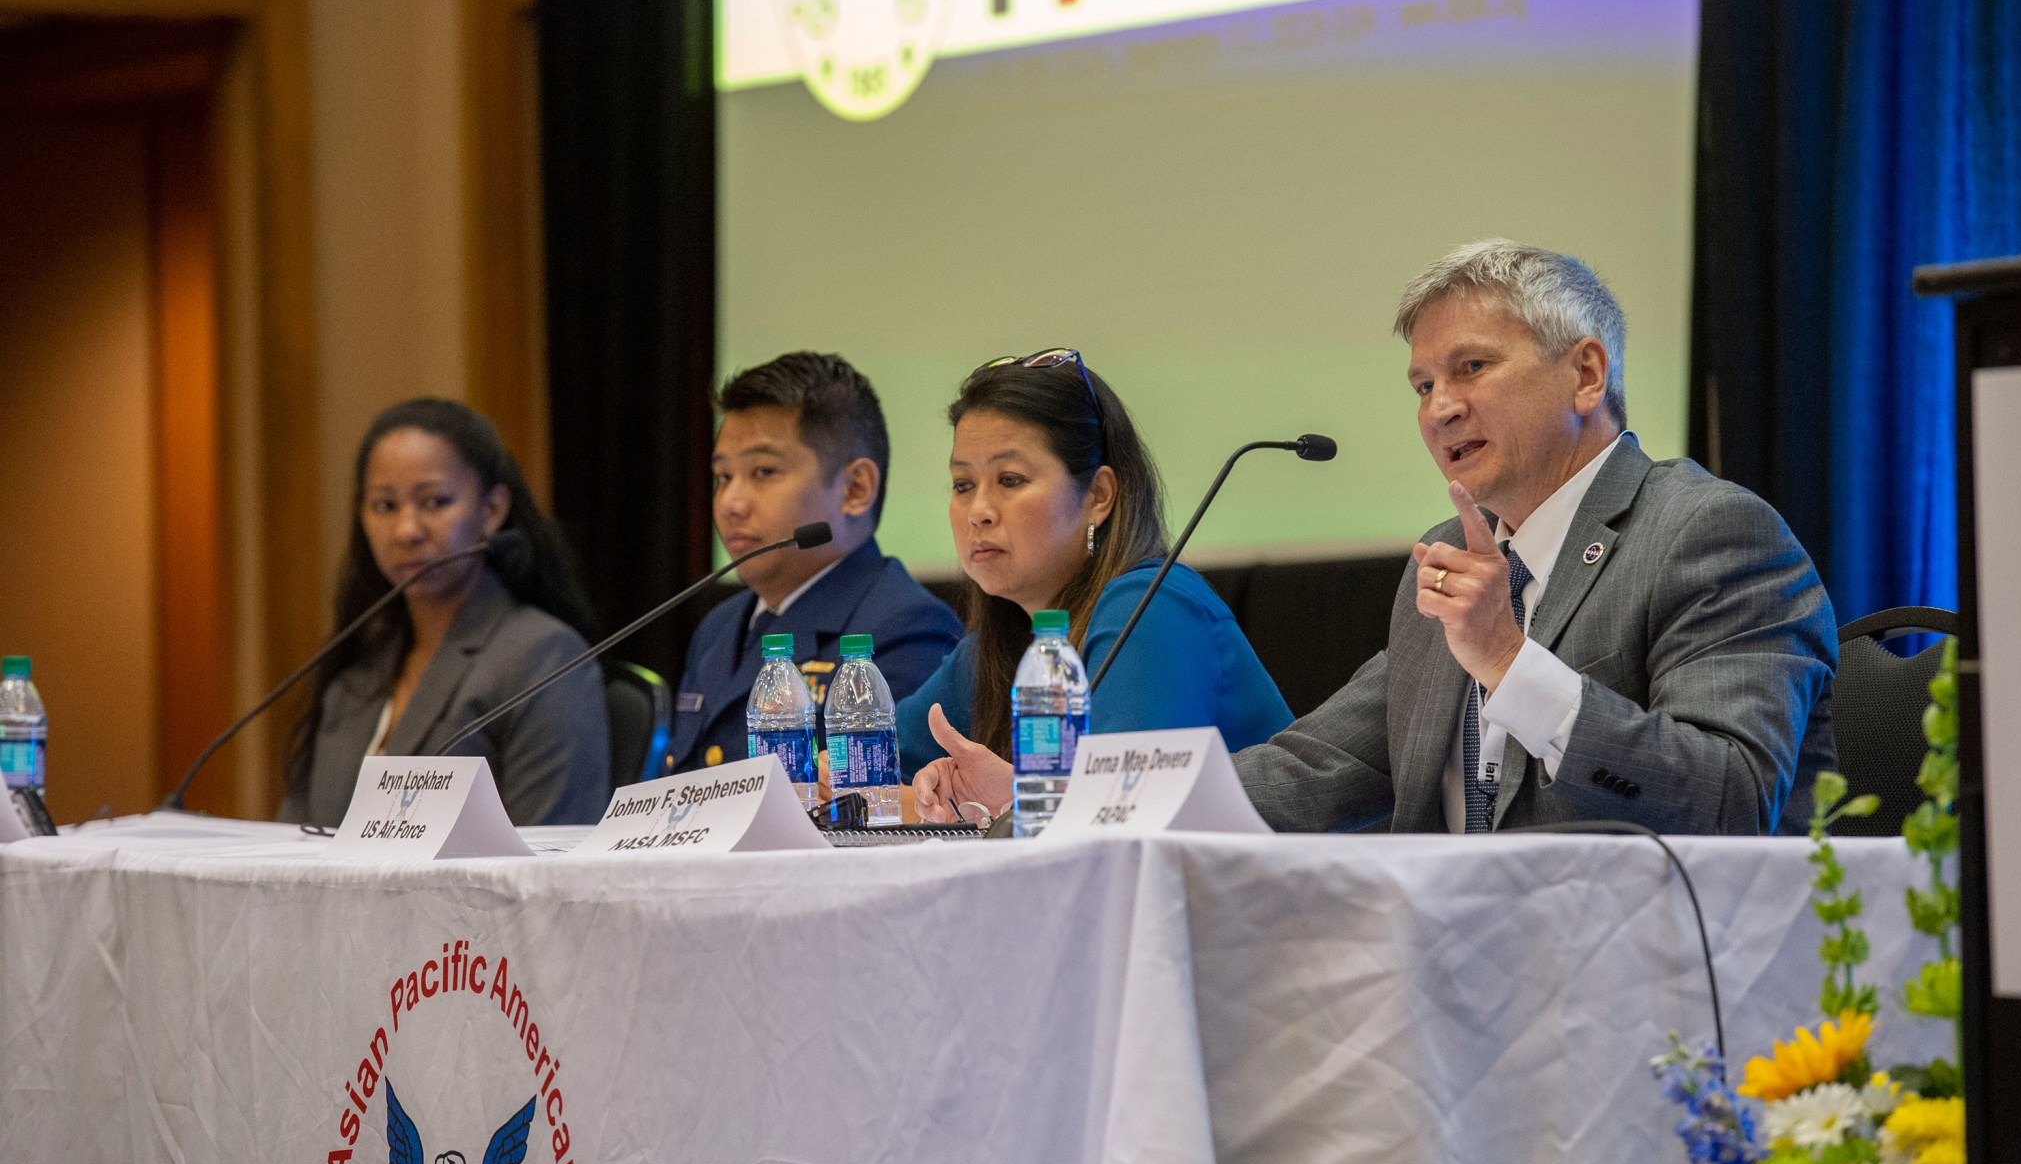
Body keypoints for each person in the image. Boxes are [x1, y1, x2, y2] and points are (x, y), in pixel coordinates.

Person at [1233, 239, 1836, 835]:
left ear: (1587, 375)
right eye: (1422, 386)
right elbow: (1314, 769)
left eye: (1472, 367)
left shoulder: (1705, 533)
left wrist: (1506, 659)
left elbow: (1731, 798)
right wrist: (1147, 796)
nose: (1439, 408)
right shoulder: (1450, 559)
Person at [904, 349, 1293, 823]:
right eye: (963, 484)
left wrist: (1002, 803)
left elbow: (1122, 819)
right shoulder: (1001, 648)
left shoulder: (1152, 608)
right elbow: (855, 766)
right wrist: (927, 795)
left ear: (1099, 497)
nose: (978, 510)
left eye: (1010, 479)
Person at [280, 398, 609, 827]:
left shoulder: (541, 657)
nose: (407, 530)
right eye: (384, 506)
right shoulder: (355, 670)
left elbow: (549, 860)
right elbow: (291, 842)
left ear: (492, 511)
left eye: (434, 502)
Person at [673, 352, 961, 769]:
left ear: (856, 488)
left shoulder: (908, 628)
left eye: (764, 472)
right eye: (723, 477)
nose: (731, 503)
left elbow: (886, 812)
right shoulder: (717, 629)